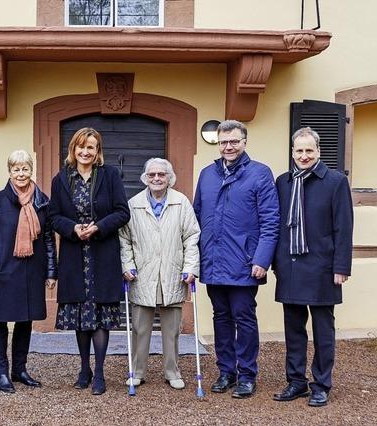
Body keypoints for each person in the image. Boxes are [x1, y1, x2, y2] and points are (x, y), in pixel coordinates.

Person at [194, 119, 279, 399]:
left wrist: (261, 260)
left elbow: (270, 221)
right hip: (213, 261)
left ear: (244, 142)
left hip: (244, 263)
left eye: (233, 141)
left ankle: (247, 375)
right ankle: (226, 371)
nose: (228, 146)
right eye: (223, 142)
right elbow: (195, 219)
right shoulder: (207, 175)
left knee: (244, 318)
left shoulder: (260, 173)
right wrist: (195, 259)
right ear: (217, 144)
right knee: (221, 317)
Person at [272, 127, 353, 407]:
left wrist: (341, 266)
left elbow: (344, 228)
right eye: (299, 150)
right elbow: (275, 226)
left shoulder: (335, 182)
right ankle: (296, 382)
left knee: (322, 331)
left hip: (322, 267)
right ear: (292, 152)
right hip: (290, 266)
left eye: (309, 150)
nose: (303, 156)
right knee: (293, 329)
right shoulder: (282, 182)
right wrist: (275, 263)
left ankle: (321, 384)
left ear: (318, 151)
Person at [49, 127, 130, 395]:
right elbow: (54, 216)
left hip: (102, 254)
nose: (85, 151)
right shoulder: (61, 179)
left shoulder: (109, 176)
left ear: (98, 152)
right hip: (75, 256)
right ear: (74, 149)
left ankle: (101, 373)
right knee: (80, 317)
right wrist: (73, 228)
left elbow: (122, 212)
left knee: (99, 318)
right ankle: (84, 368)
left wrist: (98, 227)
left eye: (91, 147)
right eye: (81, 146)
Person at [0, 150, 57, 393]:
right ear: (9, 172)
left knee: (24, 321)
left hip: (31, 271)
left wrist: (51, 272)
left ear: (32, 171)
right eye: (16, 169)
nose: (21, 173)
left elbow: (49, 239)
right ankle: (1, 373)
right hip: (0, 272)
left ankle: (19, 370)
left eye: (25, 168)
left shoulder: (43, 202)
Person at [119, 158, 200, 390]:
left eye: (161, 175)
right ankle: (137, 371)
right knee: (140, 328)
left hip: (173, 273)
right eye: (152, 174)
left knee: (172, 330)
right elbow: (124, 239)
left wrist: (190, 267)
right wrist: (127, 264)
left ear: (169, 177)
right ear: (145, 177)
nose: (156, 178)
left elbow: (192, 237)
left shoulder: (181, 202)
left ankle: (172, 371)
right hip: (142, 274)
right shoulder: (133, 204)